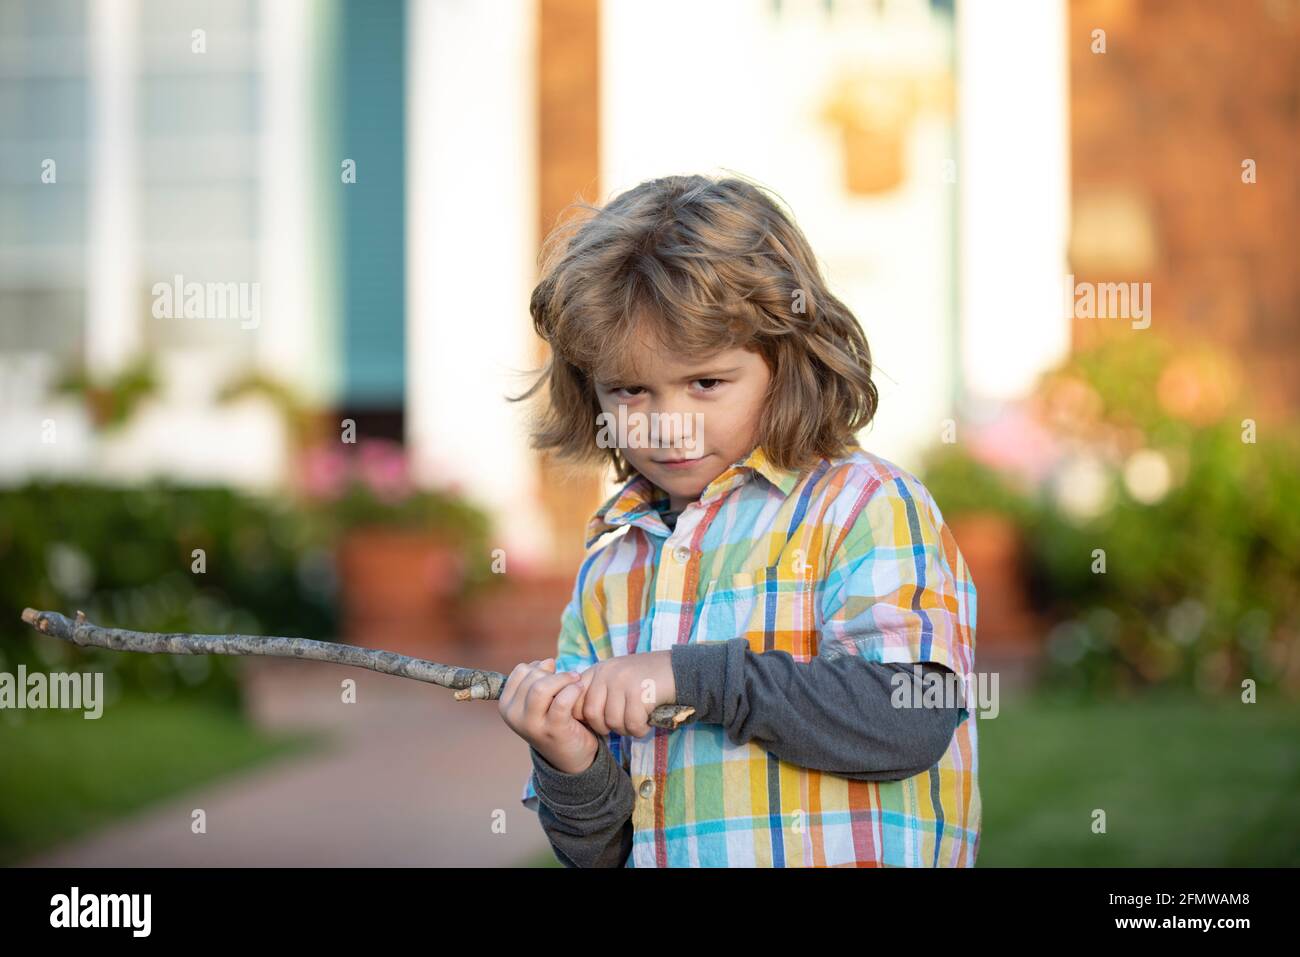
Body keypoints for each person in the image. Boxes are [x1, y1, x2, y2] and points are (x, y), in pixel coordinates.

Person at [498, 173, 980, 867]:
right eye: (630, 389)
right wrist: (569, 763)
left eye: (706, 383)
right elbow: (602, 851)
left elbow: (915, 714)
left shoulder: (863, 506)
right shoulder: (613, 566)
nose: (668, 425)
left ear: (786, 361)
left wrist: (691, 676)